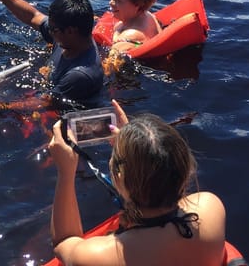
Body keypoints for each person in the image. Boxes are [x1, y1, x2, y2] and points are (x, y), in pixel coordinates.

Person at [48, 100, 226, 265]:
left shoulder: (103, 256)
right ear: (185, 169)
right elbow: (156, 190)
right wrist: (136, 152)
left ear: (119, 178)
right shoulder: (210, 208)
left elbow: (64, 242)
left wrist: (66, 171)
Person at [0, 0, 105, 110]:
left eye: (53, 29)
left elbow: (45, 103)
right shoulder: (71, 37)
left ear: (70, 31)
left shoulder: (80, 75)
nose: (50, 32)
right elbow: (33, 16)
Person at [103, 0, 161, 74]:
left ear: (137, 5)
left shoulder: (128, 37)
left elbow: (108, 71)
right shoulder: (149, 15)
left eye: (118, 0)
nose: (111, 2)